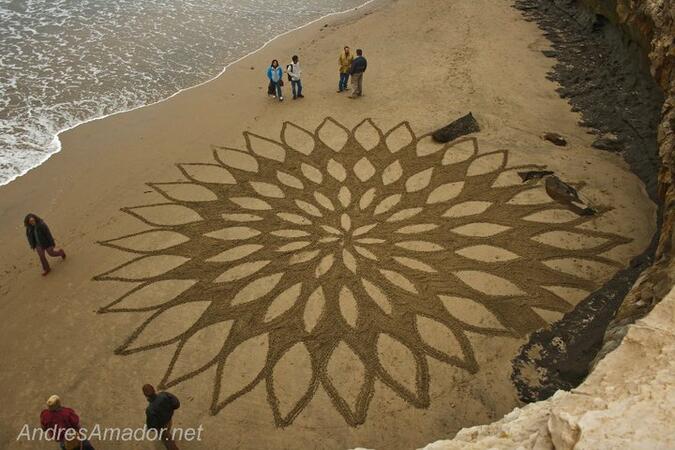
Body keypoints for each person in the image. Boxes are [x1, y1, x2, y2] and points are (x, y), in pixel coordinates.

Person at [143, 384, 181, 450]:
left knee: (168, 441)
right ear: (154, 390)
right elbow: (176, 403)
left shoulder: (150, 409)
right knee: (168, 429)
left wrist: (152, 428)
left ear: (145, 395)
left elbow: (152, 425)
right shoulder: (164, 395)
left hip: (162, 426)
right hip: (169, 419)